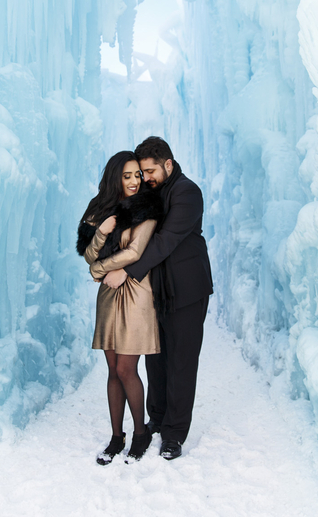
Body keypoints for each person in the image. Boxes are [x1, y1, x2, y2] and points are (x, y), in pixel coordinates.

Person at [101, 137, 213, 460]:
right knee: (155, 359)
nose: (145, 177)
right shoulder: (151, 193)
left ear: (168, 164)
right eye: (142, 171)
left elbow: (164, 241)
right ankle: (158, 419)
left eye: (150, 171)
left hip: (187, 291)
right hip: (158, 290)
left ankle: (175, 434)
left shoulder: (187, 193)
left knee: (181, 361)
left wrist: (127, 271)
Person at [77, 150, 165, 465]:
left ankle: (140, 432)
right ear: (116, 177)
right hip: (108, 295)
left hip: (135, 291)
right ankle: (117, 436)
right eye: (127, 176)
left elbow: (135, 251)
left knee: (127, 368)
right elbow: (87, 254)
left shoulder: (147, 208)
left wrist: (101, 270)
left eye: (137, 175)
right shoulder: (100, 209)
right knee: (113, 369)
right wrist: (101, 231)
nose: (133, 181)